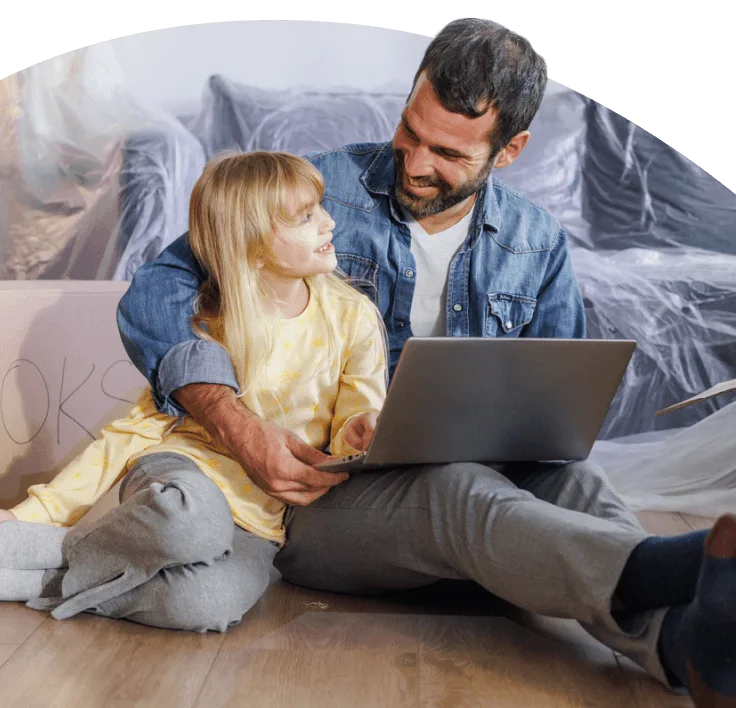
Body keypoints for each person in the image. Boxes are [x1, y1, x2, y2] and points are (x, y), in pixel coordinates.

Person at [80, 17, 736, 707]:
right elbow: (155, 288)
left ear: (508, 151)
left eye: (449, 152)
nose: (416, 164)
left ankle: (687, 647)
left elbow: (558, 411)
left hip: (466, 486)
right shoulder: (317, 191)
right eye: (409, 132)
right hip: (320, 498)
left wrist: (535, 438)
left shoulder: (535, 240)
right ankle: (685, 565)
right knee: (456, 491)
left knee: (578, 485)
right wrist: (239, 426)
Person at [0, 150, 388, 632]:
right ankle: (39, 546)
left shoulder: (354, 317)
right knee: (188, 523)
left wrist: (359, 433)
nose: (330, 222)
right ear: (252, 244)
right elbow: (138, 429)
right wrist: (42, 512)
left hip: (262, 522)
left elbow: (358, 412)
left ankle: (22, 571)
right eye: (307, 217)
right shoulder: (205, 323)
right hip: (184, 474)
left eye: (321, 208)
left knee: (201, 604)